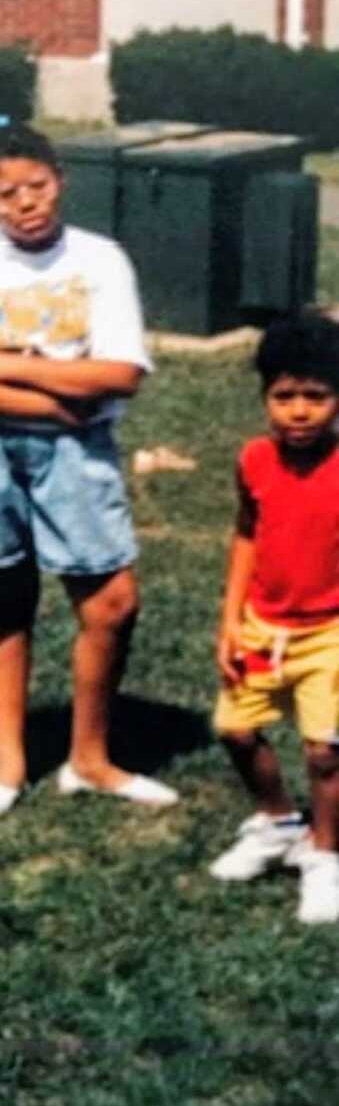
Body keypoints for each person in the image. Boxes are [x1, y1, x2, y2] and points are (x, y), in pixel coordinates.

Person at [0, 115, 178, 816]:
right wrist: (52, 401)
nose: (25, 203)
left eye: (36, 186)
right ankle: (9, 762)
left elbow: (120, 373)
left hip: (73, 456)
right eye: (7, 194)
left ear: (59, 181)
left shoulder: (98, 260)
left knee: (112, 601)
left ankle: (89, 758)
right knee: (5, 599)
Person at [210, 312, 339, 924]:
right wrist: (231, 620)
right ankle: (278, 819)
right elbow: (245, 537)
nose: (298, 411)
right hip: (263, 629)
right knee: (236, 729)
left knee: (324, 751)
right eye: (283, 396)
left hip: (329, 637)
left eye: (316, 396)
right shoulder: (254, 461)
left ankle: (324, 856)